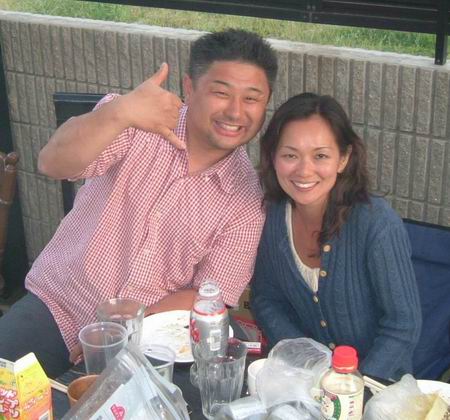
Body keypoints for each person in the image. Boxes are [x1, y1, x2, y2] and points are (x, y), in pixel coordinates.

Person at [0, 29, 278, 378]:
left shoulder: (247, 199)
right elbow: (52, 163)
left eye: (251, 98)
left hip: (149, 336)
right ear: (190, 87)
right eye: (221, 93)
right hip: (57, 307)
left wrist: (127, 330)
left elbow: (209, 295)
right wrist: (119, 113)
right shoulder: (134, 121)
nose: (235, 111)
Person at [250, 93, 421, 380]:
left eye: (320, 156)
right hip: (303, 381)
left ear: (343, 158)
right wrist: (305, 362)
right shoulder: (271, 216)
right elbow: (266, 300)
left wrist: (353, 385)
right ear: (272, 157)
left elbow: (402, 325)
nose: (304, 170)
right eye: (290, 155)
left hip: (377, 387)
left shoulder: (376, 223)